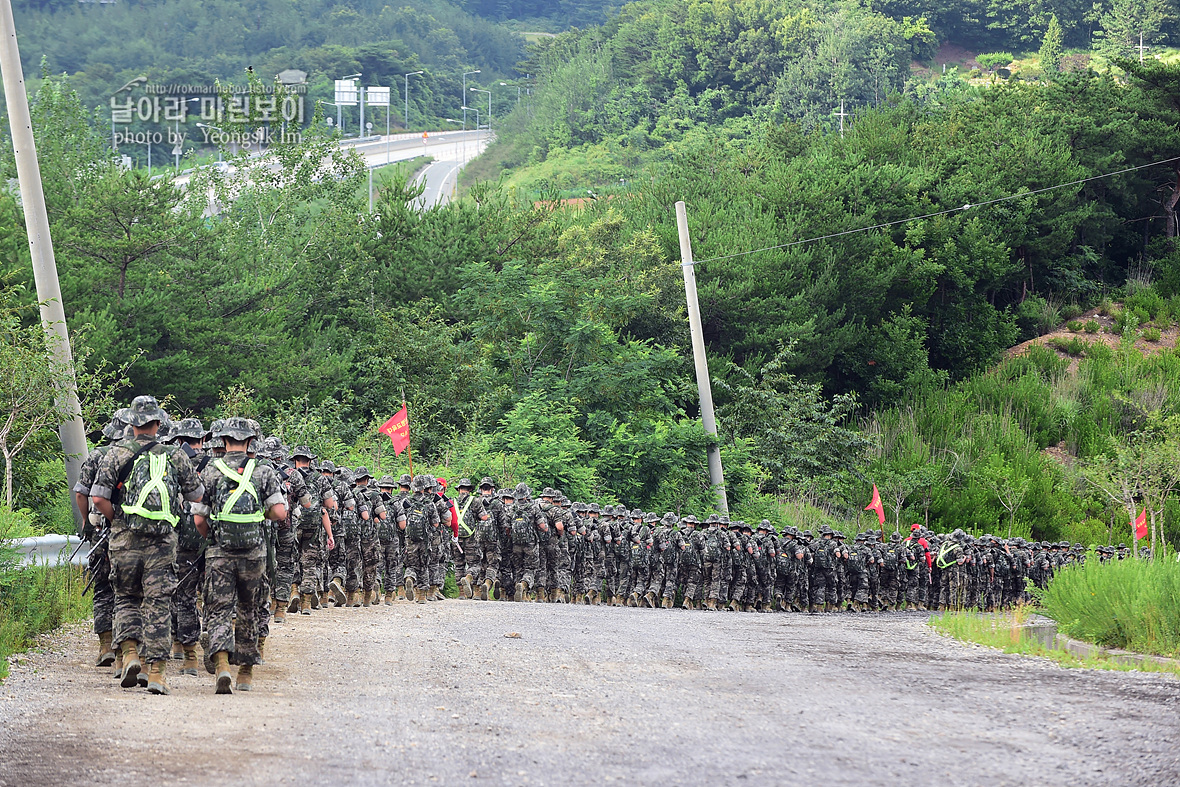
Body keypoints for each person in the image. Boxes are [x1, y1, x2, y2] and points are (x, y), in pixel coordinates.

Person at [90, 396, 205, 695]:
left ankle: (129, 654)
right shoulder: (175, 456)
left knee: (126, 597)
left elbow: (98, 499)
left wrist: (118, 521)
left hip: (124, 540)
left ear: (131, 423)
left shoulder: (114, 454)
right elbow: (197, 495)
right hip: (163, 543)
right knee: (158, 604)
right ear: (158, 424)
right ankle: (156, 673)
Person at [195, 417, 286, 694]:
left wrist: (213, 538)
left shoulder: (211, 470)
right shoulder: (263, 470)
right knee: (249, 608)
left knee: (219, 609)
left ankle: (222, 665)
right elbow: (280, 513)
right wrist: (260, 516)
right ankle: (245, 673)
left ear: (223, 441)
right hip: (254, 553)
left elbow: (199, 519)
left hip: (219, 552)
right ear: (250, 442)